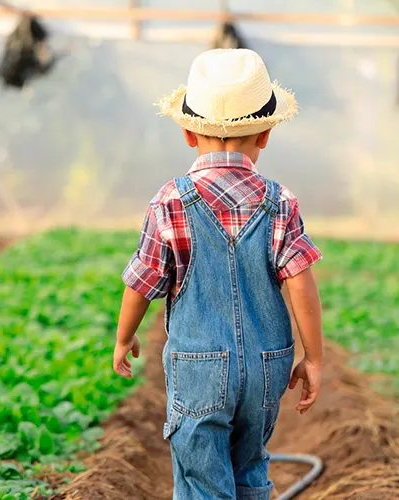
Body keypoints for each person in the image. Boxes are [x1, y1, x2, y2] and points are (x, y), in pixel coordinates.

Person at [112, 48, 325, 499]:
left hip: (198, 368)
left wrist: (123, 336)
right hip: (268, 366)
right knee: (249, 468)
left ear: (189, 133)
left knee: (201, 481)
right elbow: (301, 282)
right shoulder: (281, 201)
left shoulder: (170, 201)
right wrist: (315, 357)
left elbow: (142, 281)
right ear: (265, 134)